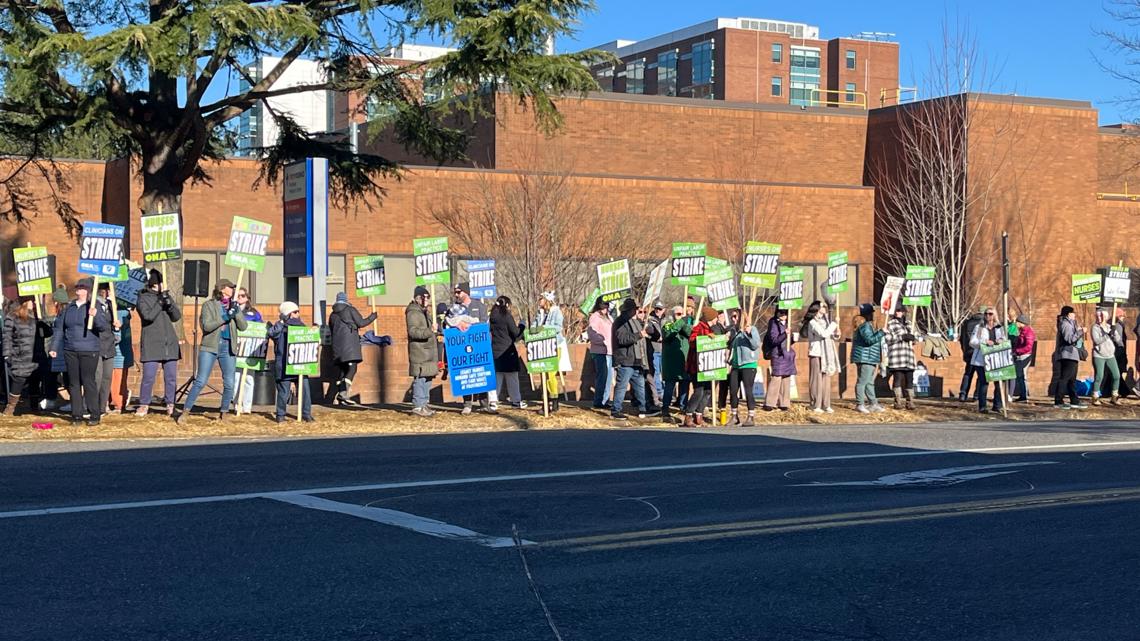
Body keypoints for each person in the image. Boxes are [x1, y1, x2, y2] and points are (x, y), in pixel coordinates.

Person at [177, 278, 247, 424]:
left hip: (228, 347)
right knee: (201, 380)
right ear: (222, 289)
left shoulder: (234, 306)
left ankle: (224, 413)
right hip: (210, 346)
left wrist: (236, 312)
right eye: (230, 287)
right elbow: (207, 326)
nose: (233, 289)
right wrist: (225, 316)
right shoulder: (209, 305)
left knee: (229, 382)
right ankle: (186, 411)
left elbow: (243, 326)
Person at [50, 278, 110, 426]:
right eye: (77, 288)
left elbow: (103, 327)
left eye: (82, 288)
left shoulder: (94, 306)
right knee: (74, 383)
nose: (79, 291)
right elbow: (59, 329)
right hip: (70, 349)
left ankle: (94, 414)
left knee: (88, 381)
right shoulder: (69, 308)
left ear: (88, 291)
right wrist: (54, 347)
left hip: (89, 350)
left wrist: (95, 316)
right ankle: (77, 415)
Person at [135, 269, 181, 417]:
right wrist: (159, 303)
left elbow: (176, 317)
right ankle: (144, 404)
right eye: (160, 283)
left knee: (171, 377)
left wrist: (169, 303)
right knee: (149, 376)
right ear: (155, 284)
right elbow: (147, 316)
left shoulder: (166, 295)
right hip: (152, 342)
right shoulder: (143, 298)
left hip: (169, 343)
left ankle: (170, 403)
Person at [447, 282, 497, 414]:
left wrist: (469, 325)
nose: (456, 295)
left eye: (459, 292)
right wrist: (457, 324)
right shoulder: (454, 308)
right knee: (465, 374)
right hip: (463, 347)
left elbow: (485, 323)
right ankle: (467, 404)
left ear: (466, 292)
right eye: (455, 292)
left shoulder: (479, 306)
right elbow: (446, 324)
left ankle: (484, 403)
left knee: (480, 373)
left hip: (478, 347)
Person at [2, 297, 52, 416]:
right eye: (32, 301)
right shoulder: (13, 317)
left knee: (35, 381)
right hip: (20, 356)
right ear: (25, 302)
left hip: (36, 356)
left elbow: (49, 333)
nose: (34, 303)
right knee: (18, 381)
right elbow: (7, 337)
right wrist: (7, 354)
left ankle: (34, 407)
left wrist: (43, 323)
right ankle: (10, 408)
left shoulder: (36, 317)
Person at [268, 301, 314, 423]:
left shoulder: (301, 326)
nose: (298, 314)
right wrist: (282, 321)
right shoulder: (280, 327)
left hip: (300, 363)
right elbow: (271, 333)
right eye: (295, 312)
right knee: (284, 391)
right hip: (283, 364)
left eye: (298, 311)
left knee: (304, 390)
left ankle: (306, 414)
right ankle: (281, 415)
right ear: (288, 314)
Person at [328, 291, 377, 407]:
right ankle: (343, 394)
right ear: (346, 299)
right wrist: (372, 317)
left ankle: (341, 396)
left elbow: (331, 329)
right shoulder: (350, 310)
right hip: (349, 346)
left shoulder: (332, 314)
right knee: (351, 369)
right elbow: (361, 322)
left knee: (342, 372)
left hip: (337, 348)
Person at [611, 298, 650, 420]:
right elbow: (622, 339)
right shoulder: (620, 322)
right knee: (622, 386)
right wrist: (639, 335)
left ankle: (642, 408)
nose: (636, 311)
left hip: (636, 360)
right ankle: (616, 410)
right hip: (625, 359)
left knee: (640, 386)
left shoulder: (635, 321)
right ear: (630, 310)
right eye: (635, 309)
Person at [533, 291, 570, 413]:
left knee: (550, 373)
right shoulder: (540, 313)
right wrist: (534, 330)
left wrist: (545, 328)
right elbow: (534, 325)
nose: (539, 302)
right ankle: (545, 401)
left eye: (541, 299)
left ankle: (554, 400)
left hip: (554, 345)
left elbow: (558, 327)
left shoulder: (556, 312)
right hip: (541, 345)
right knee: (543, 373)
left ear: (547, 300)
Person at [405, 286, 439, 417]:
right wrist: (430, 331)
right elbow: (413, 332)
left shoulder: (424, 312)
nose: (428, 301)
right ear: (419, 298)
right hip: (420, 352)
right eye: (426, 298)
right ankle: (418, 406)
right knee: (420, 379)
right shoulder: (413, 313)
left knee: (427, 379)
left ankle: (424, 403)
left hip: (428, 352)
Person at [682, 305, 718, 426]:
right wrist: (704, 338)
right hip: (696, 366)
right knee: (699, 391)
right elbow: (692, 340)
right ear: (711, 318)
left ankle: (699, 414)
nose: (717, 320)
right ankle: (688, 415)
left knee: (707, 391)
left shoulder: (711, 329)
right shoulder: (699, 327)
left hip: (708, 366)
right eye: (715, 318)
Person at [803, 299, 840, 413]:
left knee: (826, 379)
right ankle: (816, 404)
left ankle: (826, 404)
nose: (824, 307)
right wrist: (834, 324)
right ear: (817, 309)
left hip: (827, 353)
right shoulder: (812, 322)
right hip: (817, 353)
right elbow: (823, 334)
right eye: (822, 306)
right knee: (817, 379)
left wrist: (836, 334)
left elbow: (830, 335)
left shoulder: (826, 321)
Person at [489, 296, 525, 409]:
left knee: (496, 378)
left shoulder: (492, 317)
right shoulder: (507, 316)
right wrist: (522, 326)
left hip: (495, 350)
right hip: (507, 351)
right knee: (512, 378)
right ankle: (515, 400)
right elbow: (515, 333)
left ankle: (493, 401)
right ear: (507, 305)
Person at [659, 303, 693, 423]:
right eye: (678, 314)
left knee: (685, 385)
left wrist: (684, 323)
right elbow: (668, 334)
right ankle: (665, 408)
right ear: (673, 315)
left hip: (684, 360)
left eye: (682, 314)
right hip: (671, 361)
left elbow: (689, 333)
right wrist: (680, 322)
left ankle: (683, 408)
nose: (680, 316)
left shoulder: (685, 324)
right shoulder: (667, 324)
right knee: (670, 386)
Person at [970, 306, 1007, 413]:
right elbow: (972, 342)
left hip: (997, 359)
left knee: (999, 382)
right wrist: (984, 343)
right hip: (982, 360)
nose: (987, 316)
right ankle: (982, 406)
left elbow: (1005, 341)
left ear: (994, 315)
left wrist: (1001, 341)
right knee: (984, 383)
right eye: (986, 314)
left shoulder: (1000, 328)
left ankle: (997, 405)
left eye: (990, 314)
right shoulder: (979, 328)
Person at [231, 287, 262, 414]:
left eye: (242, 296)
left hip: (250, 351)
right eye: (238, 296)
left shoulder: (254, 313)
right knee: (236, 378)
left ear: (247, 297)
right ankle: (236, 404)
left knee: (249, 379)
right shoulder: (232, 310)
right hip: (237, 349)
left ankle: (247, 406)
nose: (240, 298)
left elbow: (261, 327)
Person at [851, 303, 886, 413]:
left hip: (869, 357)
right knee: (862, 382)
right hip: (865, 358)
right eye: (872, 313)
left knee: (869, 382)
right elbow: (869, 340)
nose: (874, 315)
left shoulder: (866, 325)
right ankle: (860, 404)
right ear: (869, 314)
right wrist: (881, 333)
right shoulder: (865, 326)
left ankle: (873, 403)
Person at [728, 309, 761, 426]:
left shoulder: (752, 329)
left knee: (748, 390)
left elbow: (755, 345)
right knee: (732, 390)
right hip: (736, 365)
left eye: (735, 316)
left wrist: (748, 334)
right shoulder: (734, 331)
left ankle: (751, 416)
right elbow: (731, 347)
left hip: (748, 364)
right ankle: (734, 415)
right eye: (732, 317)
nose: (733, 319)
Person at [885, 303, 918, 410]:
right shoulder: (890, 324)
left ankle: (910, 402)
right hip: (897, 356)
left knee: (910, 379)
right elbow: (888, 339)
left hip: (908, 356)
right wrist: (901, 336)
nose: (898, 312)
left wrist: (913, 338)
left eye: (900, 310)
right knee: (897, 378)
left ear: (904, 312)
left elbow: (916, 339)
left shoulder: (910, 324)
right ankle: (897, 401)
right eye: (896, 310)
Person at [1053, 305, 1086, 410]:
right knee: (1065, 378)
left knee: (1072, 380)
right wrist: (1080, 332)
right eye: (1073, 313)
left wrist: (1078, 330)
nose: (1074, 315)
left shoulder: (1071, 324)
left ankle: (1074, 400)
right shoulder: (1065, 324)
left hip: (1072, 354)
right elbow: (1069, 339)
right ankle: (1058, 400)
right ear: (1068, 314)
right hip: (1068, 354)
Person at [763, 308, 796, 412]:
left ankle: (784, 403)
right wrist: (784, 334)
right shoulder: (773, 323)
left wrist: (792, 338)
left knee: (786, 378)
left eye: (785, 313)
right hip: (777, 353)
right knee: (776, 377)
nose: (783, 315)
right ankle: (769, 402)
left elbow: (788, 341)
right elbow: (774, 340)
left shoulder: (788, 323)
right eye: (781, 313)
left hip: (787, 354)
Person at [94, 282, 120, 415]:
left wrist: (116, 328)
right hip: (97, 344)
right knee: (97, 377)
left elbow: (111, 323)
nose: (109, 293)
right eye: (107, 290)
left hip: (109, 345)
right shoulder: (93, 304)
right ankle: (92, 406)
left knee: (107, 377)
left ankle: (102, 407)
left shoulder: (110, 305)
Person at [1091, 307, 1124, 405]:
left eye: (1101, 315)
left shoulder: (1109, 326)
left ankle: (1114, 396)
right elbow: (1097, 341)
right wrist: (1107, 335)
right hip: (1099, 355)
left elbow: (1118, 340)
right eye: (1098, 316)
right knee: (1099, 376)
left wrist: (1114, 333)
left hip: (1110, 355)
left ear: (1105, 316)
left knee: (1116, 375)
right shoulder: (1095, 327)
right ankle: (1095, 397)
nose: (1099, 317)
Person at [586, 296, 614, 410]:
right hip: (600, 351)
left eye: (606, 306)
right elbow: (592, 334)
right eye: (603, 306)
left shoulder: (609, 317)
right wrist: (604, 341)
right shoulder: (595, 317)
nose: (605, 309)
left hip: (610, 351)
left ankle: (605, 399)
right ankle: (599, 400)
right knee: (602, 376)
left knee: (609, 378)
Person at [107, 299, 133, 413]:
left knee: (116, 381)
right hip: (121, 354)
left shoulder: (120, 314)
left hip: (118, 354)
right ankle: (117, 402)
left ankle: (118, 403)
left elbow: (118, 337)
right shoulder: (124, 314)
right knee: (115, 381)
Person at [644, 301, 666, 410]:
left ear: (664, 310)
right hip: (655, 348)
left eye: (660, 309)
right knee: (656, 372)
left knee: (665, 372)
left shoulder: (667, 320)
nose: (658, 310)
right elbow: (649, 331)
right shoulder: (650, 318)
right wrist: (656, 336)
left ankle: (665, 393)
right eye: (656, 308)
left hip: (665, 350)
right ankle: (659, 393)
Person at [957, 308, 984, 402]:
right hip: (979, 352)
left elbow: (961, 339)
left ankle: (963, 394)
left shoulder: (966, 323)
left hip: (968, 352)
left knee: (968, 373)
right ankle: (976, 395)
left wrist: (964, 350)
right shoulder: (983, 324)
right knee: (980, 375)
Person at [1011, 314, 1036, 403]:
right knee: (1020, 376)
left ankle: (1024, 395)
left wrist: (1017, 351)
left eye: (1017, 321)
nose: (1016, 323)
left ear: (1022, 323)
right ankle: (1023, 395)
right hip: (1019, 355)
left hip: (1025, 356)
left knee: (1023, 375)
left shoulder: (1028, 332)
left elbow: (1029, 346)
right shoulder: (1021, 331)